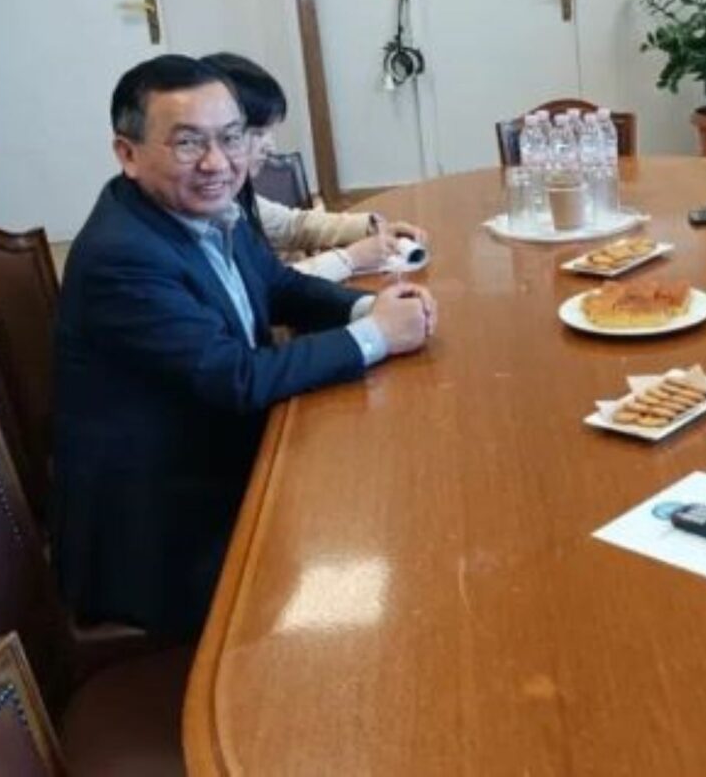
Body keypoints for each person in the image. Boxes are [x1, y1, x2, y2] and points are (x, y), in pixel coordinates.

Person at [54, 54, 439, 638]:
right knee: (386, 552)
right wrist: (376, 336)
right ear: (127, 154)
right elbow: (236, 377)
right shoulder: (123, 256)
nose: (218, 162)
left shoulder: (205, 208)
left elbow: (278, 286)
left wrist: (371, 307)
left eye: (231, 138)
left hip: (217, 465)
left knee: (397, 495)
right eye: (188, 143)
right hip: (165, 534)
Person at [202, 52, 429, 283]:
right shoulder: (202, 210)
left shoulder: (235, 194)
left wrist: (370, 228)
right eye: (258, 133)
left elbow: (292, 225)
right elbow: (258, 288)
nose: (271, 147)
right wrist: (350, 258)